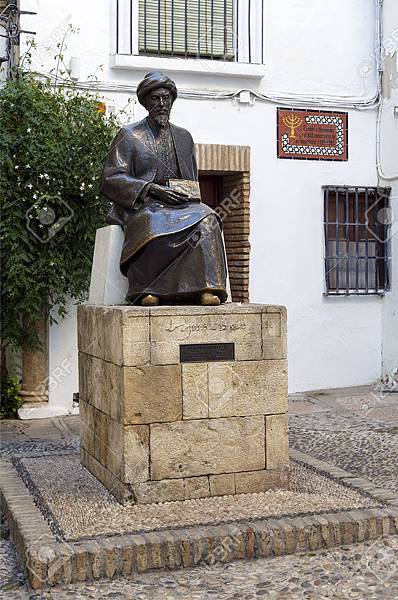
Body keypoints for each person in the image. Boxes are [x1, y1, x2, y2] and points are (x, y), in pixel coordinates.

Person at [102, 71, 227, 306]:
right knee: (152, 222)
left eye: (166, 98)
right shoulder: (129, 135)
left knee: (208, 219)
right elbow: (111, 178)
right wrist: (151, 190)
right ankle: (147, 290)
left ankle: (205, 288)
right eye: (155, 99)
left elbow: (191, 181)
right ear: (146, 102)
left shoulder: (183, 137)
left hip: (179, 205)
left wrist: (186, 196)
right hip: (143, 203)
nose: (161, 104)